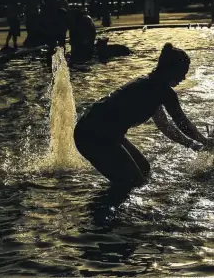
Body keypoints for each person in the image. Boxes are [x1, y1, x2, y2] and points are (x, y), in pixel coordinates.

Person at [74, 43, 214, 187]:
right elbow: (182, 123)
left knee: (144, 170)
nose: (184, 78)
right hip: (92, 135)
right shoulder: (162, 91)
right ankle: (106, 208)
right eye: (182, 72)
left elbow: (165, 126)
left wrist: (192, 145)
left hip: (101, 131)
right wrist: (206, 142)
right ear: (171, 69)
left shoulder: (152, 84)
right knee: (132, 181)